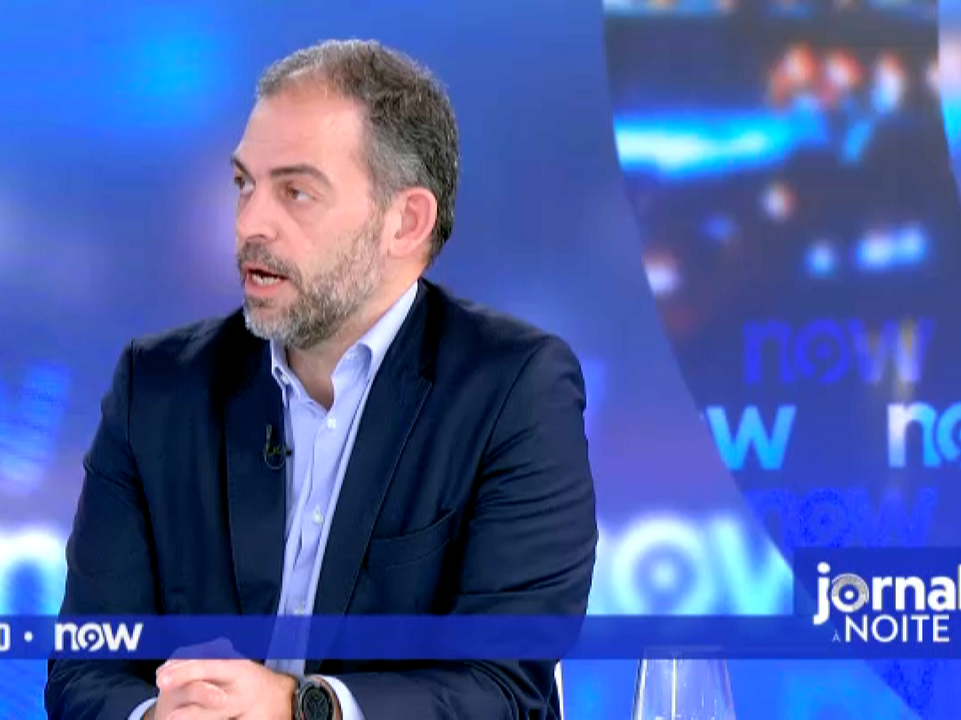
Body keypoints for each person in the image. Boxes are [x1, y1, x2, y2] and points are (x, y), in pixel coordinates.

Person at [45, 38, 597, 720]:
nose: (250, 224)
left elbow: (505, 688)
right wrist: (159, 716)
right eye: (244, 184)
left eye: (296, 192)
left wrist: (299, 707)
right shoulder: (156, 388)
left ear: (406, 222)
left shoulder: (513, 390)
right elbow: (85, 668)